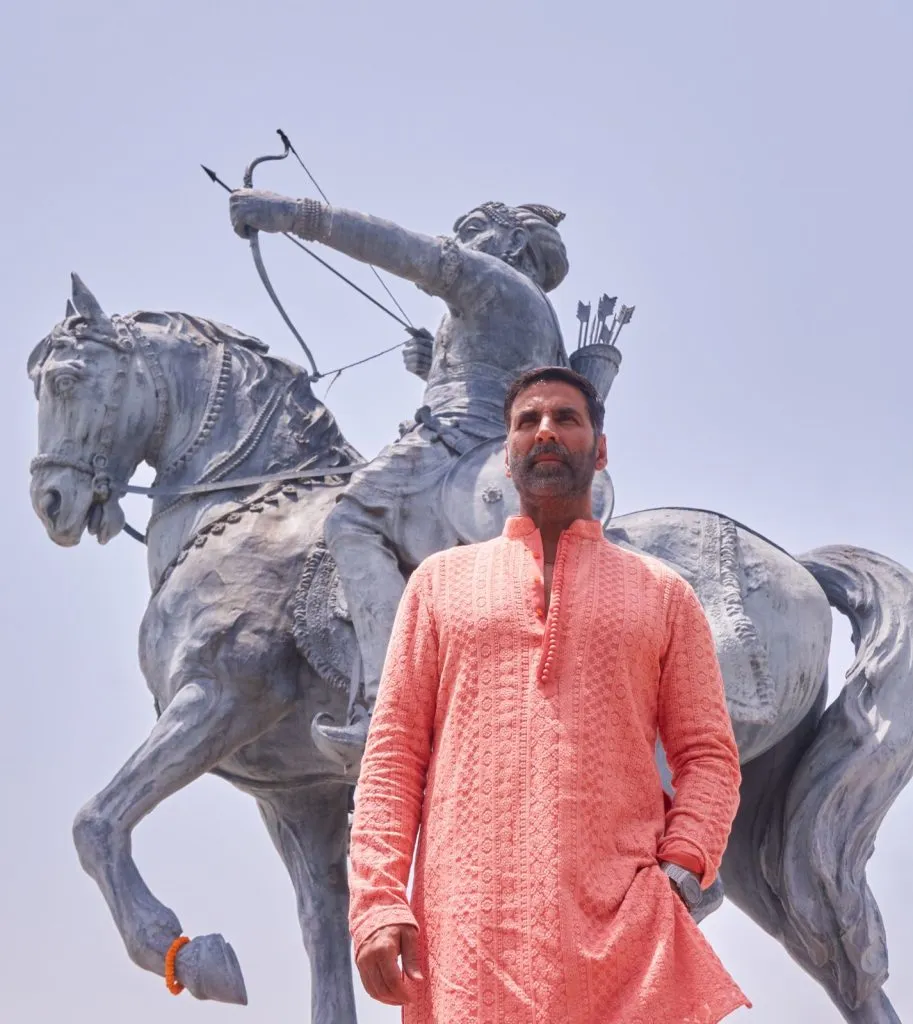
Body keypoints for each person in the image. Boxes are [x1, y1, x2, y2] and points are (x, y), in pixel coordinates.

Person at [346, 366, 750, 1023]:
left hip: (623, 935)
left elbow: (707, 757)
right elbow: (392, 759)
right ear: (504, 455)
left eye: (565, 418)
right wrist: (377, 901)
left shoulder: (662, 592)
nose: (545, 431)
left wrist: (680, 869)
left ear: (600, 447)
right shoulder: (438, 584)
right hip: (467, 933)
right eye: (526, 421)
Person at [229, 192, 571, 761]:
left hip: (458, 444)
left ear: (510, 242)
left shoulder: (497, 280)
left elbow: (406, 250)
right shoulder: (530, 308)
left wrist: (291, 215)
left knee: (351, 518)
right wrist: (435, 368)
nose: (459, 241)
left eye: (470, 230)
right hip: (482, 449)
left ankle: (387, 706)